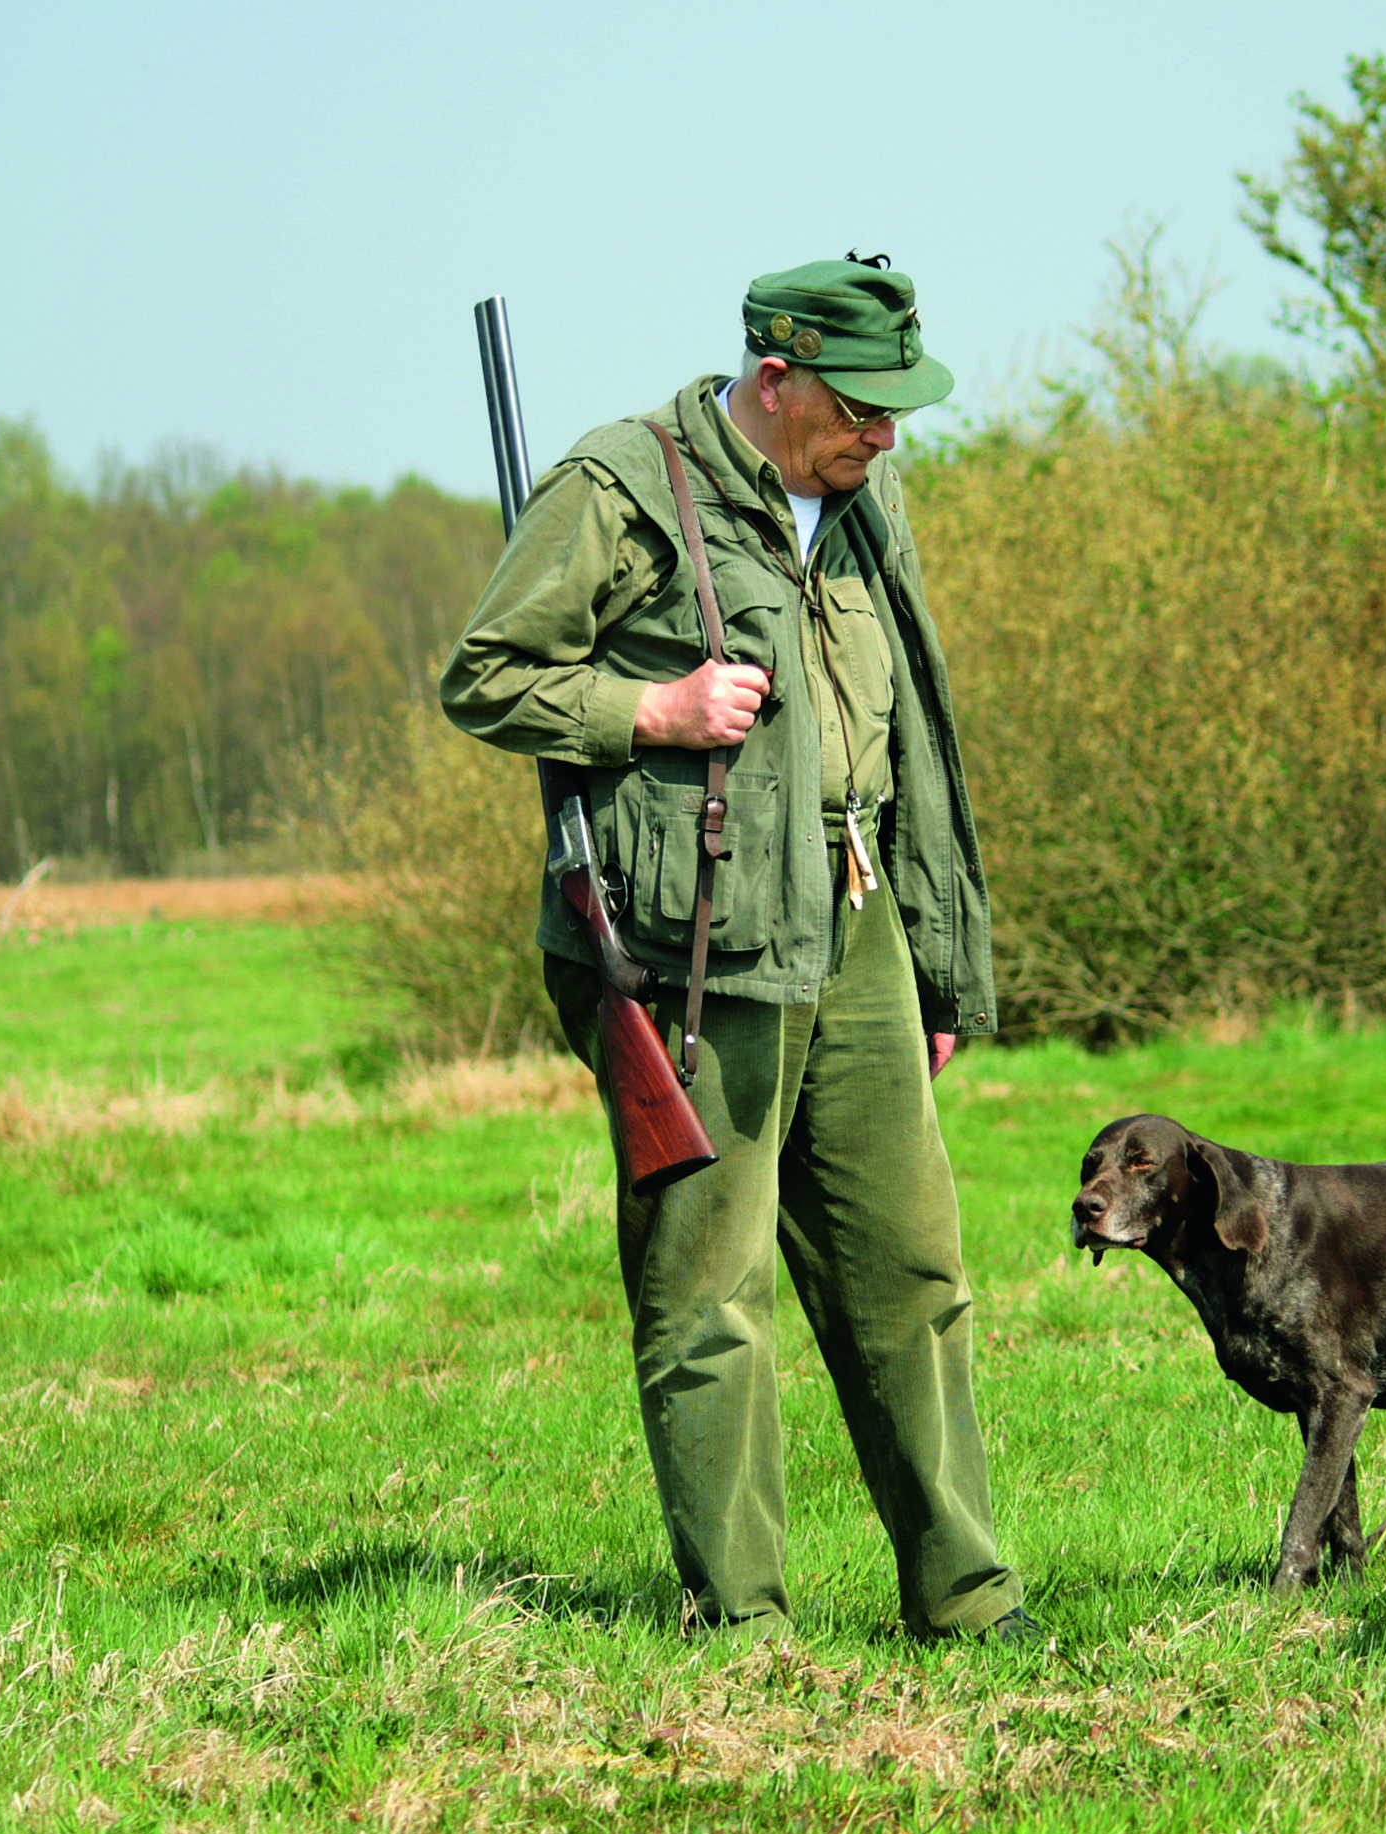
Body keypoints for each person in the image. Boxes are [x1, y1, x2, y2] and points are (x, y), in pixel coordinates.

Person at [440, 255, 1029, 1643]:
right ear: (775, 378)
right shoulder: (618, 486)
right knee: (712, 1288)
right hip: (691, 938)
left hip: (859, 914)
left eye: (895, 409)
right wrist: (652, 708)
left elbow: (916, 748)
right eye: (860, 406)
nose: (885, 434)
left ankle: (966, 1598)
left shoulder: (869, 507)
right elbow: (486, 673)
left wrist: (936, 960)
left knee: (916, 1270)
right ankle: (745, 1626)